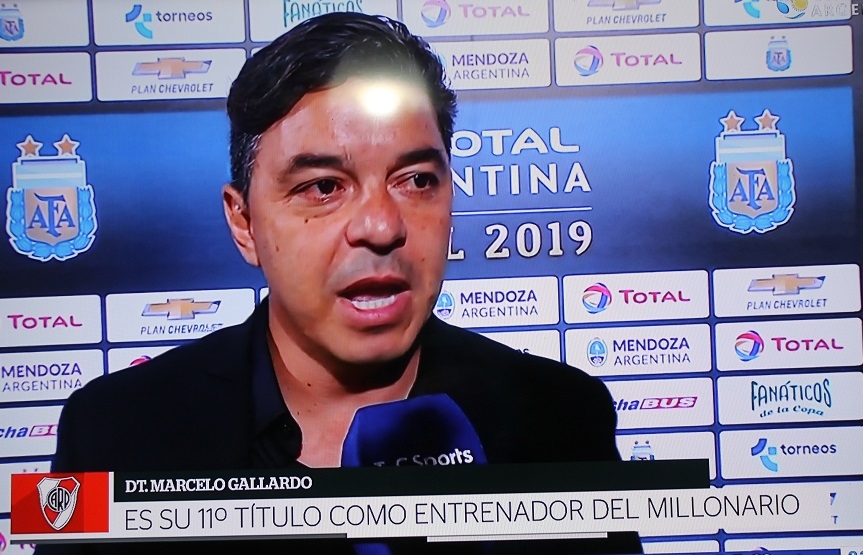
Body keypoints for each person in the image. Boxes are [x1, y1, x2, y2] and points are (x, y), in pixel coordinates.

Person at [38, 12, 641, 555]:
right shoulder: (112, 432)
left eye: (417, 180)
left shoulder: (560, 420)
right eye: (324, 187)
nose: (381, 227)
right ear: (244, 223)